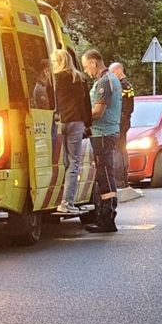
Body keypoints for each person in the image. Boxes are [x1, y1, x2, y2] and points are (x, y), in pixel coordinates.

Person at [80, 49, 122, 233]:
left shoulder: (104, 81)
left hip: (103, 133)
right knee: (105, 174)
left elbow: (98, 112)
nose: (86, 71)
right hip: (106, 132)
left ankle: (107, 218)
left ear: (93, 63)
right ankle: (106, 215)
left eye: (85, 66)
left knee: (104, 175)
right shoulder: (111, 79)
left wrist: (80, 117)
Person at [51, 49, 92, 215]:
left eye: (54, 61)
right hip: (76, 122)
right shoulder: (80, 79)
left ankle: (54, 198)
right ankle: (67, 202)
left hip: (59, 122)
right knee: (73, 163)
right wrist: (88, 124)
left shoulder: (54, 79)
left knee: (60, 162)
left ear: (59, 62)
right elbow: (87, 104)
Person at [109, 62, 135, 188]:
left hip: (119, 121)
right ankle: (124, 179)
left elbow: (120, 104)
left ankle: (119, 180)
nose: (111, 75)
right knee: (122, 150)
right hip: (125, 121)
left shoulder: (122, 86)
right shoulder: (128, 84)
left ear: (119, 70)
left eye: (113, 72)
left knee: (118, 151)